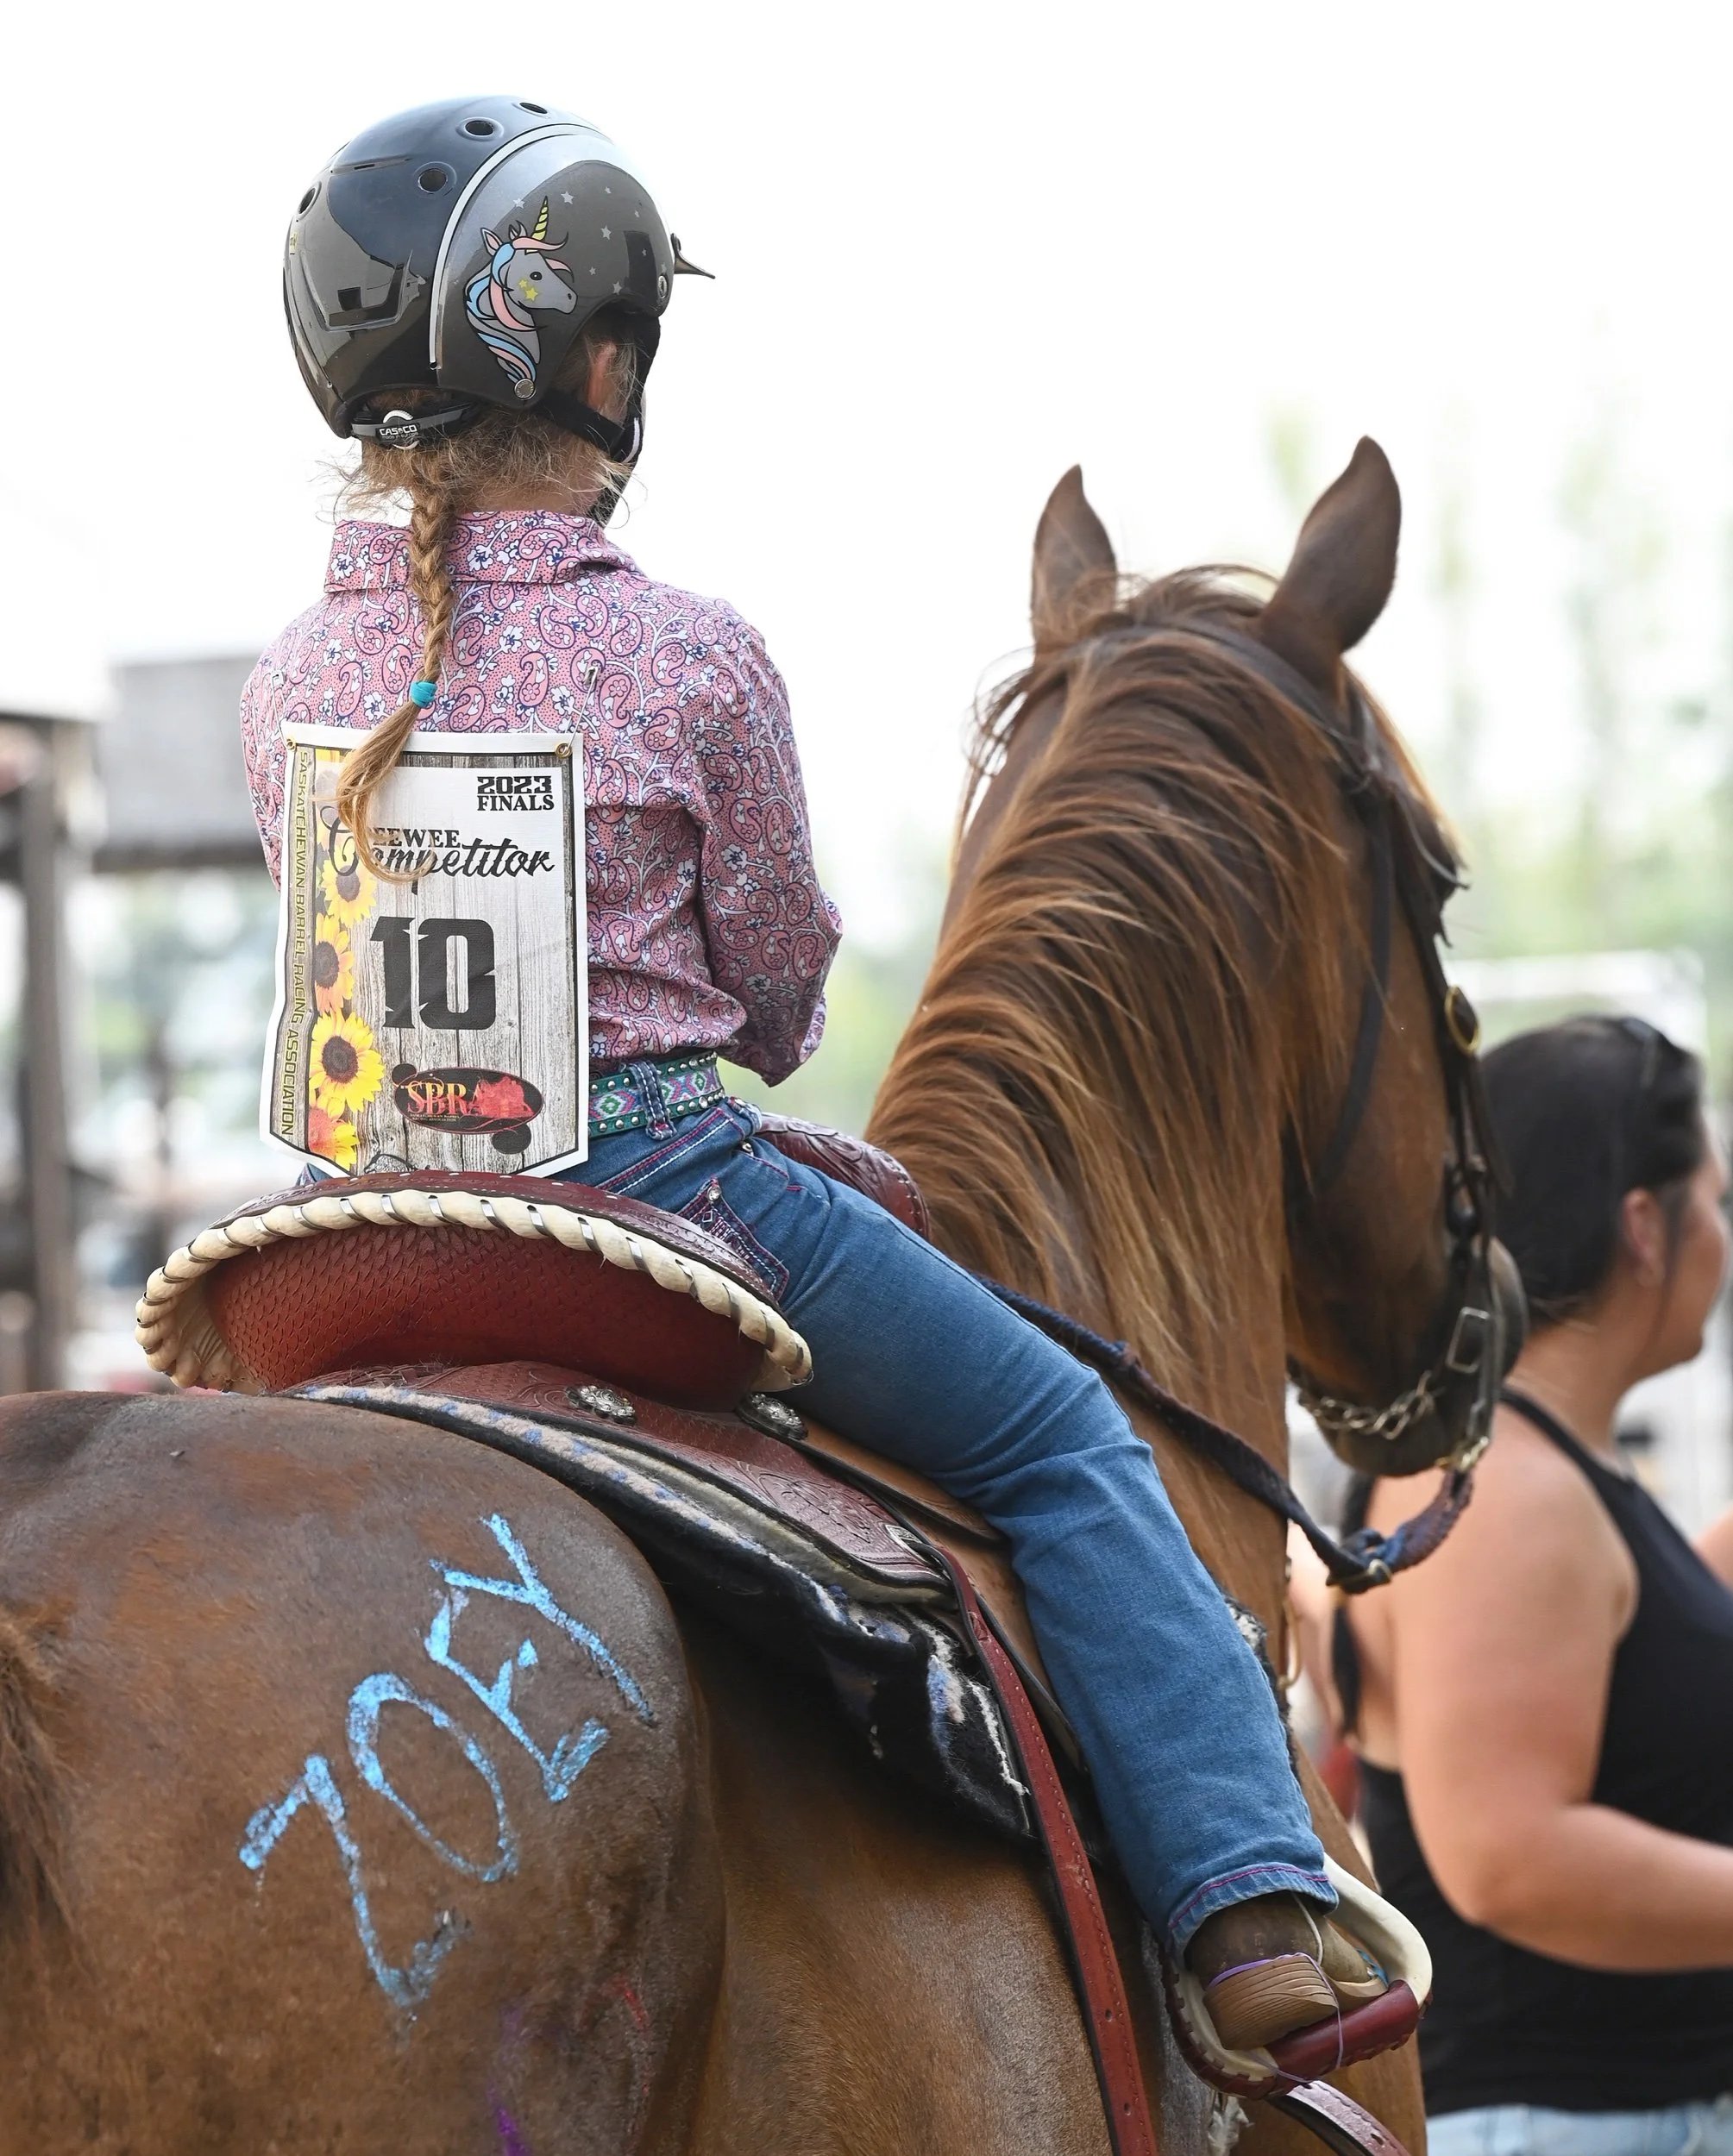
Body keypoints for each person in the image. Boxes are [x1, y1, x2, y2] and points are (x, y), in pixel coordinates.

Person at [246, 93, 1390, 2048]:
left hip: (354, 1223)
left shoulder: (292, 672)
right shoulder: (693, 660)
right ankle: (1244, 1911)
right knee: (1060, 1444)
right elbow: (774, 1001)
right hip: (663, 1206)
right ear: (607, 362)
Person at [1336, 1014, 1733, 2153]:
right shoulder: (1511, 1487)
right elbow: (1511, 1854)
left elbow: (1628, 1659)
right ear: (1645, 1226)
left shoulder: (1535, 1470)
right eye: (1714, 1199)